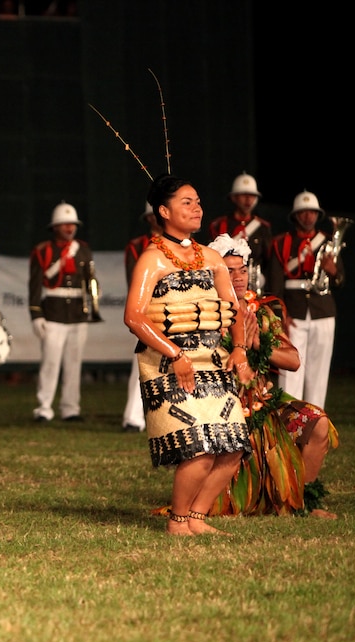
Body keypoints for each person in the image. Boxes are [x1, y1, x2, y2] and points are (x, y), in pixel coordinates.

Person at [124, 174, 254, 535]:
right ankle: (177, 520)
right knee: (198, 449)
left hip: (212, 360)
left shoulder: (212, 258)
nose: (197, 208)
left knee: (232, 446)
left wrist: (240, 349)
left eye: (198, 201)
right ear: (163, 211)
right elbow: (134, 316)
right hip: (168, 362)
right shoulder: (152, 260)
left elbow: (235, 309)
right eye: (186, 202)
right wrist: (175, 353)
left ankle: (197, 516)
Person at [206, 234, 338, 519]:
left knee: (318, 423)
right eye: (229, 272)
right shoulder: (209, 317)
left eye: (242, 270)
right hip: (225, 410)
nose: (239, 278)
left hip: (265, 406)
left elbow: (293, 360)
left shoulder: (262, 313)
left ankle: (302, 502)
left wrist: (260, 345)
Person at [265, 190, 343, 411]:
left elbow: (340, 280)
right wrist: (281, 316)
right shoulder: (281, 243)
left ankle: (315, 421)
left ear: (318, 215)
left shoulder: (327, 242)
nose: (308, 216)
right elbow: (275, 286)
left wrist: (334, 270)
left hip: (323, 310)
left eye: (312, 212)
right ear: (295, 215)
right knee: (291, 369)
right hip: (294, 311)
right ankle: (290, 419)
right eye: (303, 212)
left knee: (319, 371)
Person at [28, 201, 97, 423]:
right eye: (65, 224)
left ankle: (70, 408)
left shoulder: (83, 249)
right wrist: (36, 314)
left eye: (72, 224)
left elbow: (89, 277)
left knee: (73, 363)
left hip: (78, 312)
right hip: (53, 313)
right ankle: (44, 408)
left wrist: (96, 293)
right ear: (55, 227)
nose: (69, 228)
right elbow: (36, 284)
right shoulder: (43, 251)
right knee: (50, 363)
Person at [120, 202, 160, 433]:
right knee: (141, 363)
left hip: (176, 310)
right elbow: (134, 283)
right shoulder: (138, 246)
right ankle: (133, 418)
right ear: (149, 219)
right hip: (148, 309)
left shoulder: (182, 245)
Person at [207, 172, 272, 295]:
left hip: (255, 285)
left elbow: (268, 262)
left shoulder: (263, 227)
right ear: (233, 197)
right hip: (226, 285)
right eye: (243, 195)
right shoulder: (219, 224)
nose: (248, 199)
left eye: (252, 195)